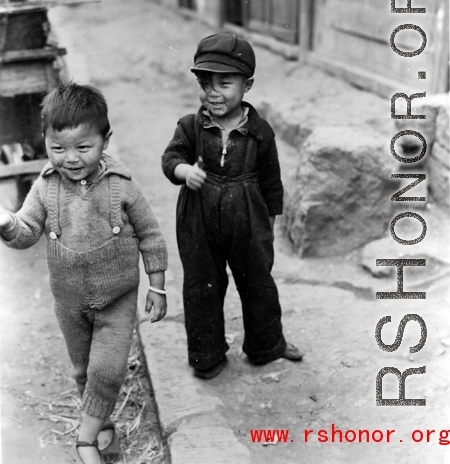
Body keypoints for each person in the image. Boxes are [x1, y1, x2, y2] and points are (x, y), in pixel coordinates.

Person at [0, 83, 168, 464]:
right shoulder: (44, 189)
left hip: (117, 298)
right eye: (58, 149)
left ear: (105, 140)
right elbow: (27, 232)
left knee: (107, 368)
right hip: (69, 301)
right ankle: (103, 428)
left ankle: (85, 440)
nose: (71, 159)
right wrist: (8, 223)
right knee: (83, 371)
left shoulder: (122, 187)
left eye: (83, 148)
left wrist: (157, 287)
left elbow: (151, 235)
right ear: (43, 140)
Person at [162, 32, 302, 380]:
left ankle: (266, 345)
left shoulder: (260, 132)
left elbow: (271, 183)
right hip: (199, 220)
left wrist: (267, 225)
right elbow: (171, 157)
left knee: (257, 282)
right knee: (201, 286)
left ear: (247, 85)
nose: (213, 92)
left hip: (248, 220)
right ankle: (206, 355)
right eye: (205, 82)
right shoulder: (191, 126)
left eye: (225, 83)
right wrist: (183, 171)